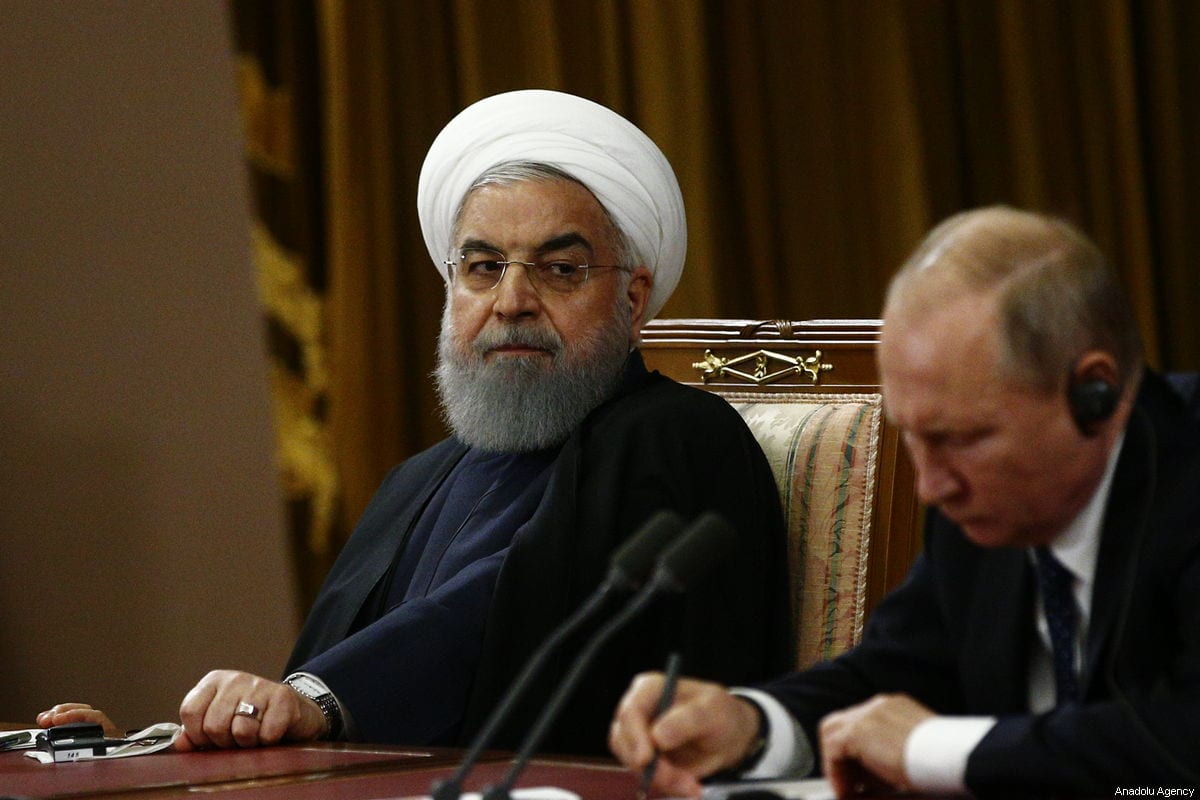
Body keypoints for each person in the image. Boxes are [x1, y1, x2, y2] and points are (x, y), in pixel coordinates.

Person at [38, 90, 790, 755]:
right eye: (483, 267)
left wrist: (318, 702)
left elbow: (514, 613)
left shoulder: (675, 437)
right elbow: (321, 689)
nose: (513, 301)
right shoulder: (419, 483)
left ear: (632, 300)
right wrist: (157, 745)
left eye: (559, 269)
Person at [609, 206, 1200, 797]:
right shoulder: (980, 508)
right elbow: (898, 675)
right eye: (914, 438)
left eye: (961, 439)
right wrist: (756, 726)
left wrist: (928, 749)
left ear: (1096, 392)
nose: (932, 487)